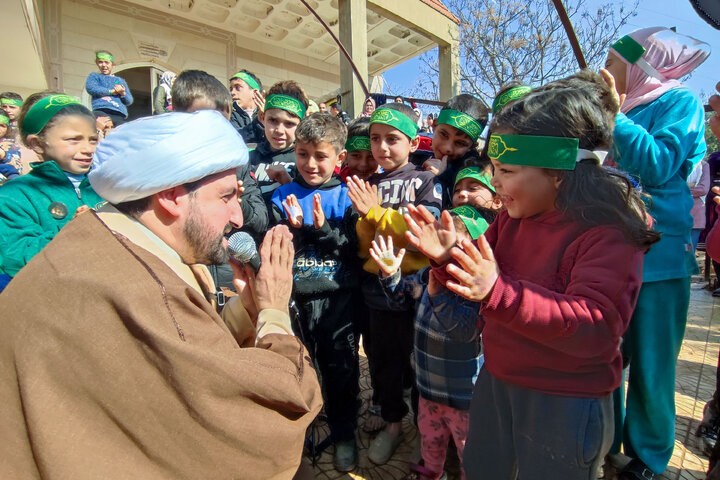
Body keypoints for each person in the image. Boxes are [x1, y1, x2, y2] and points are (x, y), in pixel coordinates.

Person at [0, 109, 323, 479]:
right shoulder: (138, 289)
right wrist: (274, 311)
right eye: (225, 197)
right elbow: (275, 408)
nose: (238, 216)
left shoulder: (103, 238)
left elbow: (182, 351)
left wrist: (244, 309)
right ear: (171, 197)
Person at [402, 70, 659, 480]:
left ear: (557, 171)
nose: (495, 183)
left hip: (565, 402)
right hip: (496, 380)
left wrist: (497, 291)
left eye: (506, 170)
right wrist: (448, 260)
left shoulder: (608, 232)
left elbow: (596, 325)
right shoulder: (511, 221)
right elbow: (481, 295)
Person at [603, 27, 710, 479]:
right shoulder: (618, 109)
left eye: (614, 63)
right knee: (604, 355)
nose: (605, 72)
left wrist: (615, 118)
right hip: (607, 252)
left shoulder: (680, 105)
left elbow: (657, 164)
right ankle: (607, 442)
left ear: (641, 66)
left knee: (651, 362)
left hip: (660, 258)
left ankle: (648, 458)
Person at [347, 103, 442, 465]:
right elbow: (360, 242)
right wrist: (368, 220)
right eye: (375, 139)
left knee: (420, 367)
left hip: (417, 290)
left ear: (413, 142)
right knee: (383, 362)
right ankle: (392, 424)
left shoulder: (425, 181)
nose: (382, 148)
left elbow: (423, 232)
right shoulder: (367, 185)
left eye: (392, 139)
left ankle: (424, 429)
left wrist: (375, 214)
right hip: (376, 291)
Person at [269, 112, 361, 472]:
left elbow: (355, 252)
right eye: (303, 154)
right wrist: (293, 229)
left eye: (321, 156)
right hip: (295, 302)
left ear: (339, 158)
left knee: (341, 370)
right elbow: (275, 245)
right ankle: (300, 433)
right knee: (296, 370)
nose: (310, 164)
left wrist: (321, 228)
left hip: (339, 299)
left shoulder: (346, 197)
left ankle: (344, 434)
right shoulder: (282, 195)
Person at [370, 209, 485, 480]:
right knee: (430, 440)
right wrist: (390, 275)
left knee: (470, 451)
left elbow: (464, 331)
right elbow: (401, 297)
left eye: (451, 242)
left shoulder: (476, 289)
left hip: (465, 398)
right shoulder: (425, 275)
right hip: (428, 390)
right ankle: (431, 472)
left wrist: (440, 296)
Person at [170, 69, 269, 290]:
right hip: (185, 281)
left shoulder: (237, 165)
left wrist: (239, 206)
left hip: (231, 280)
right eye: (204, 122)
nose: (214, 133)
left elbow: (261, 218)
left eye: (222, 124)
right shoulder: (165, 170)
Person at [0, 92, 104, 286]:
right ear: (37, 144)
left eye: (92, 139)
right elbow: (16, 258)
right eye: (74, 139)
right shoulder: (14, 194)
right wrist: (72, 231)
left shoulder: (104, 186)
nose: (88, 149)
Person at [421, 94, 489, 207]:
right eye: (443, 134)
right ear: (434, 126)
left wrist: (442, 177)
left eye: (460, 143)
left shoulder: (475, 173)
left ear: (471, 147)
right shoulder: (416, 153)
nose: (447, 148)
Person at [249, 80, 309, 201]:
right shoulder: (249, 157)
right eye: (273, 120)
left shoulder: (306, 161)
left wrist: (287, 183)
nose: (279, 130)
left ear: (301, 125)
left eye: (289, 123)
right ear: (262, 117)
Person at [84, 50, 133, 125]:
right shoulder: (94, 76)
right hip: (101, 111)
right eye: (100, 62)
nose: (103, 65)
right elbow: (92, 88)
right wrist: (112, 91)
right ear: (97, 63)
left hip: (118, 114)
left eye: (107, 62)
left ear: (113, 65)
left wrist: (123, 93)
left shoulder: (119, 81)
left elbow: (129, 101)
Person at [228, 69, 265, 144]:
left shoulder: (268, 115)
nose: (232, 93)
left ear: (255, 92)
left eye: (237, 87)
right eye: (231, 89)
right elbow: (235, 137)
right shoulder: (228, 114)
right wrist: (258, 122)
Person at [340, 118, 378, 182]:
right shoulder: (334, 188)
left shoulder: (385, 187)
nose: (363, 164)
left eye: (371, 156)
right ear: (345, 157)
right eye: (356, 156)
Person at [688, 160, 710, 251]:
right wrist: (691, 186)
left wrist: (681, 190)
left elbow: (703, 189)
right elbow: (670, 187)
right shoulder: (677, 162)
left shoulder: (703, 165)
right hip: (675, 216)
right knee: (674, 252)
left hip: (695, 219)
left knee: (688, 250)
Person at [0, 113, 21, 180]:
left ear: (7, 129)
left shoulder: (10, 147)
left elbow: (17, 169)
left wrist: (4, 155)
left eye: (2, 126)